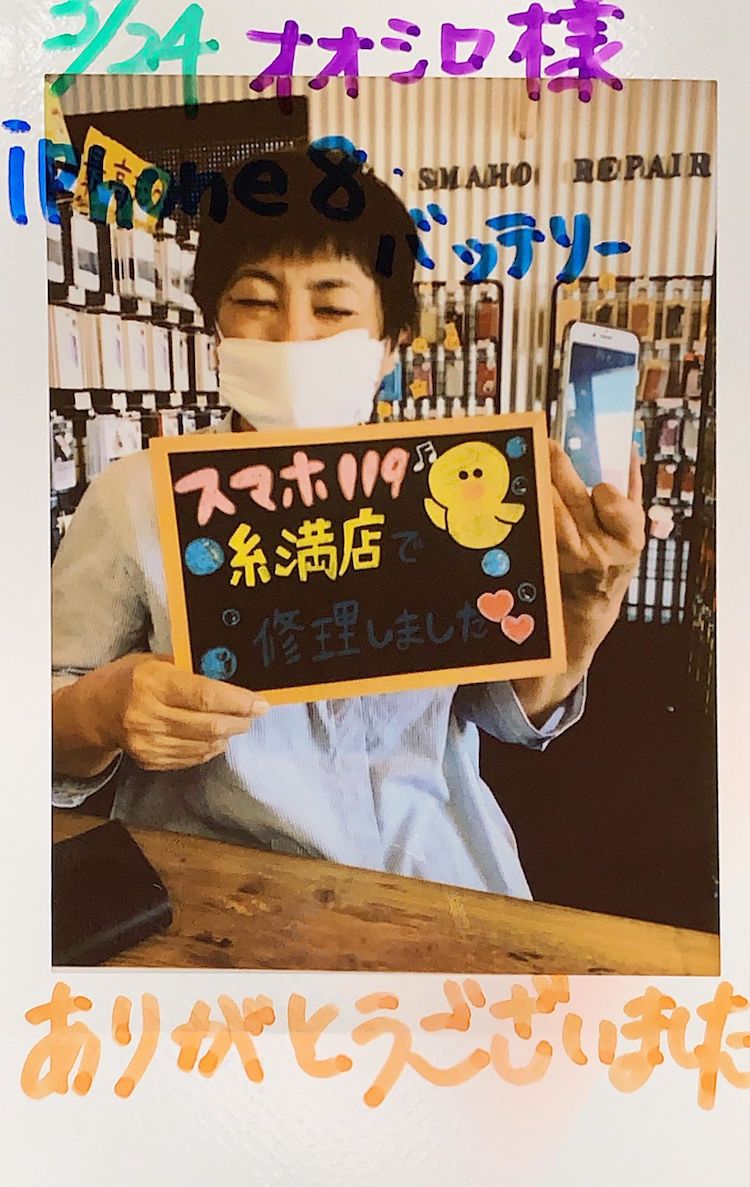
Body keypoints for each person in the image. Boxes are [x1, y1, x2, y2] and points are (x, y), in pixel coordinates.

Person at [52, 148, 645, 897]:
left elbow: (507, 707)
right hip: (220, 891)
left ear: (389, 345)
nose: (293, 336)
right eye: (256, 299)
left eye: (332, 309)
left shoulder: (454, 487)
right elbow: (39, 730)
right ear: (216, 328)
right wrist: (102, 709)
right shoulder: (135, 495)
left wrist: (586, 605)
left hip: (443, 875)